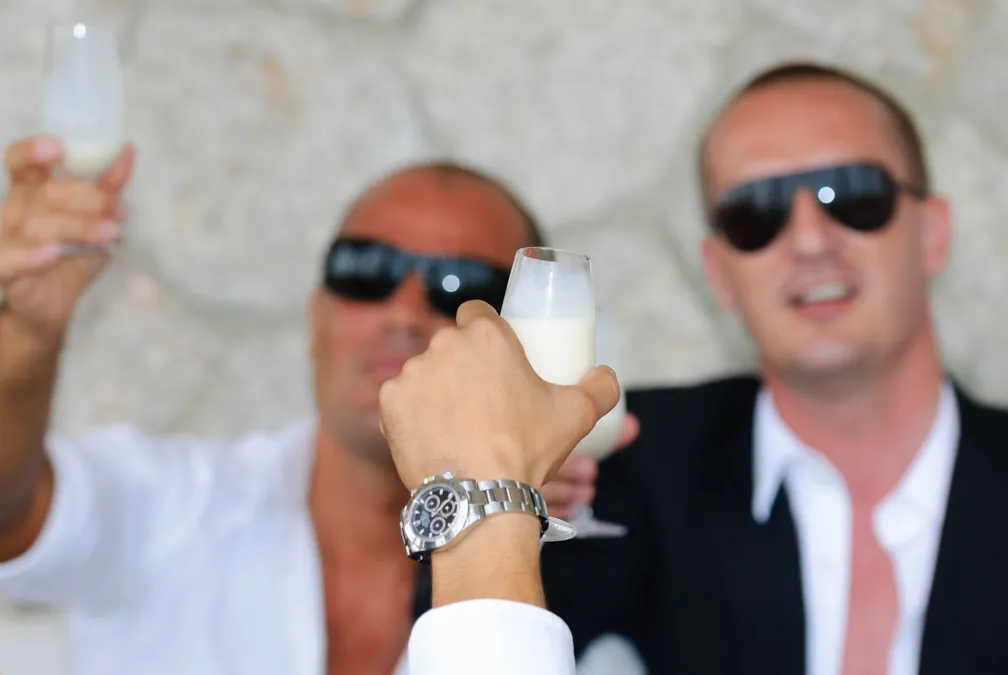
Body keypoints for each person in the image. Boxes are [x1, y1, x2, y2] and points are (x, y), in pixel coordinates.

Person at [390, 62, 1008, 675]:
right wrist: (501, 505)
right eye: (754, 213)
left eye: (851, 195)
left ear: (932, 232)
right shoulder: (629, 467)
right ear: (718, 272)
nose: (810, 240)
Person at [0, 142, 630, 675]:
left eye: (459, 284)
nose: (403, 313)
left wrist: (494, 505)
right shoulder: (176, 501)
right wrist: (24, 335)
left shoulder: (601, 589)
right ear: (315, 316)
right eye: (364, 269)